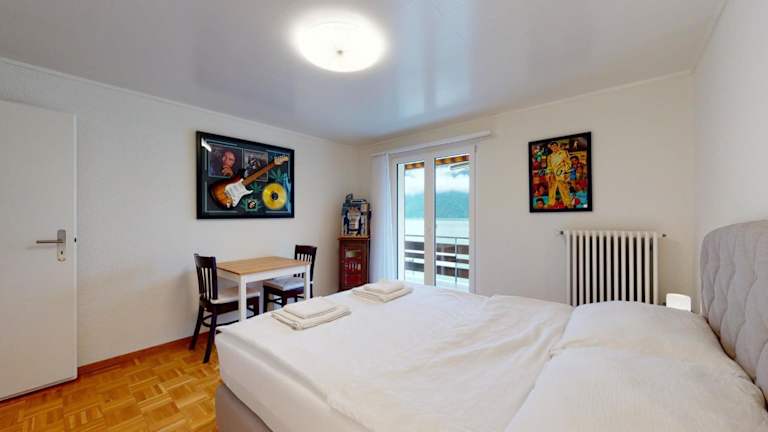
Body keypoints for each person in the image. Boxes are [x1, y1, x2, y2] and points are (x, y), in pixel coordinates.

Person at [546, 141, 572, 208]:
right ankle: (551, 203)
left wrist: (565, 172)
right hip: (553, 174)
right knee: (551, 189)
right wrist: (549, 174)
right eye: (552, 146)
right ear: (551, 148)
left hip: (561, 173)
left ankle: (568, 203)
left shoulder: (564, 153)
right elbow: (549, 167)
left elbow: (568, 163)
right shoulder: (549, 156)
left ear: (558, 146)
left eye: (555, 146)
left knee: (564, 189)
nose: (554, 147)